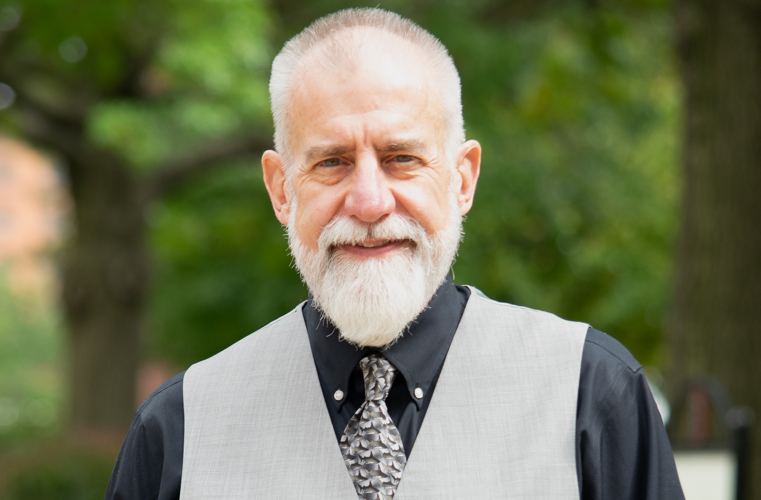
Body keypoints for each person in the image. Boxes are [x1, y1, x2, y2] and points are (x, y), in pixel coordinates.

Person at [106, 8, 684, 500]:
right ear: (282, 189)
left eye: (401, 157)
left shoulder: (593, 394)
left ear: (462, 179)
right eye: (331, 161)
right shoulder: (180, 428)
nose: (368, 200)